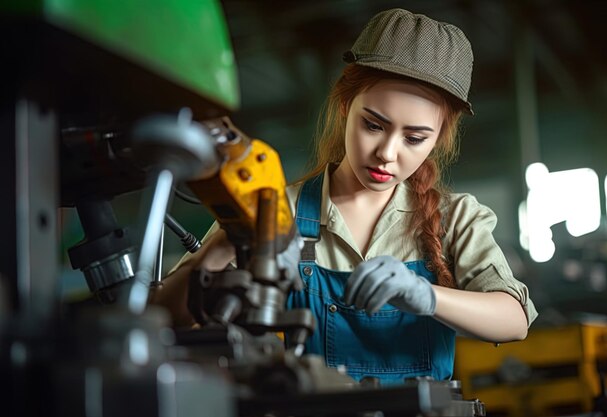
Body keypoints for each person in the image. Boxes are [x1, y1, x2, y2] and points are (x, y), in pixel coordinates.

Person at [154, 8, 538, 385]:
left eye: (415, 138)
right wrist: (229, 241)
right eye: (373, 125)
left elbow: (514, 319)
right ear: (343, 106)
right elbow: (163, 318)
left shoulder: (456, 219)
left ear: (439, 137)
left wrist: (426, 295)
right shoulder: (272, 207)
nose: (387, 152)